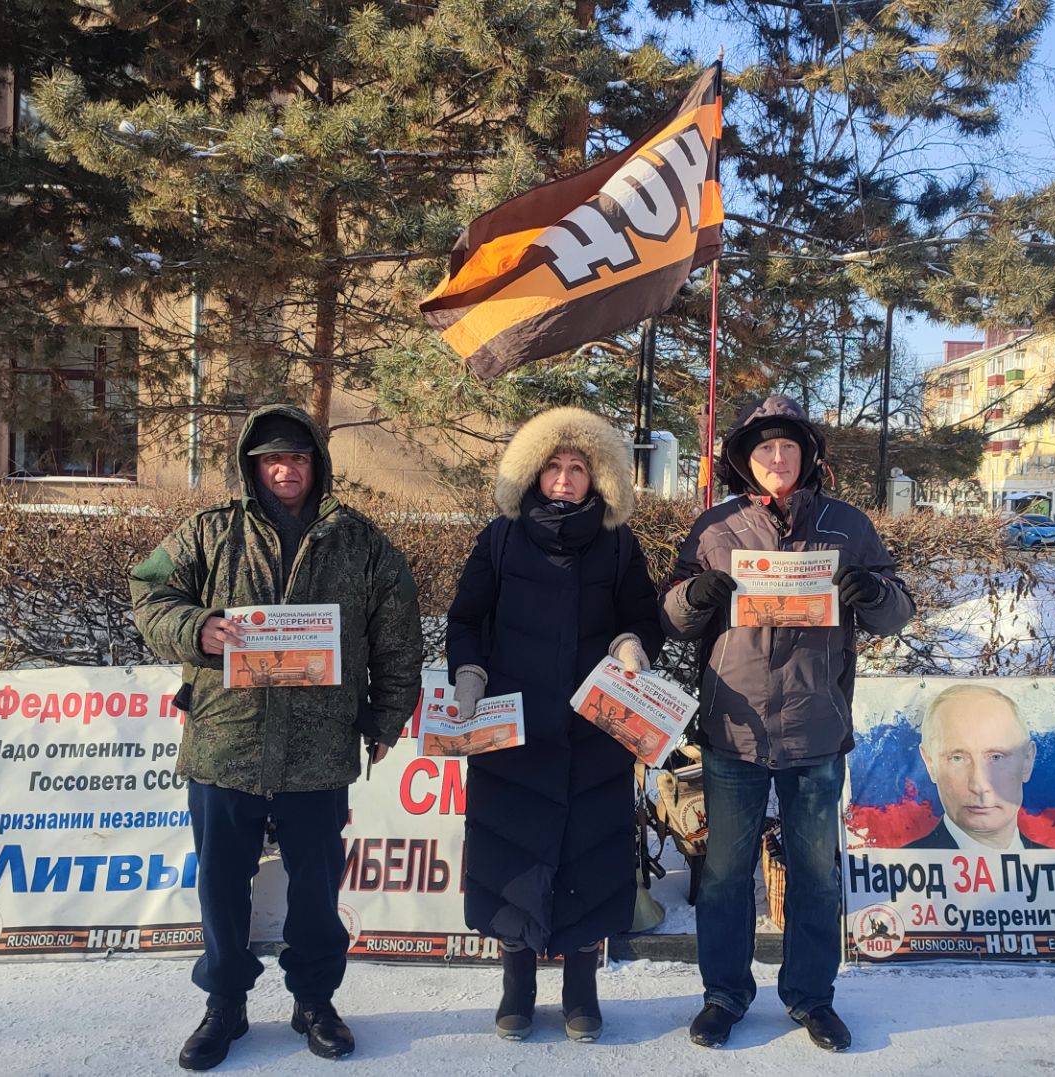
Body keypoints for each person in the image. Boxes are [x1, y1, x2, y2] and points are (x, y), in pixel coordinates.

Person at [130, 405, 423, 1070]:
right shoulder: (210, 531)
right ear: (252, 465)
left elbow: (398, 635)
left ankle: (314, 1001)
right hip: (224, 743)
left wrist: (387, 717)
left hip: (319, 750)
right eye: (272, 460)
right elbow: (148, 592)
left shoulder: (359, 542)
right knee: (221, 885)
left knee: (317, 891)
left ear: (317, 463)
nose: (285, 470)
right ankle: (225, 1003)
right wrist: (197, 628)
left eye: (297, 457)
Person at [661, 394, 914, 1053]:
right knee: (724, 875)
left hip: (815, 729)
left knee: (815, 874)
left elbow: (897, 610)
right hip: (734, 727)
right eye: (764, 448)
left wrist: (873, 593)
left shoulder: (846, 525)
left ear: (808, 456)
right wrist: (695, 595)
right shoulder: (716, 527)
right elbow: (671, 616)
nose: (777, 457)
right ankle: (723, 994)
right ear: (744, 460)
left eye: (789, 447)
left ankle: (811, 995)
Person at [446, 407, 662, 1044]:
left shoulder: (618, 544)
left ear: (599, 478)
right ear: (532, 474)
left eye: (577, 468)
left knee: (588, 859)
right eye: (553, 467)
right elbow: (466, 618)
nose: (564, 479)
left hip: (594, 733)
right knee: (513, 856)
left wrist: (631, 645)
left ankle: (581, 989)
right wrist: (469, 673)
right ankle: (517, 985)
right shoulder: (500, 538)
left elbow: (642, 616)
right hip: (512, 732)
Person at [905, 684, 1049, 851]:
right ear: (930, 763)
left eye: (996, 757)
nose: (979, 786)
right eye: (957, 758)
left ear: (1027, 760)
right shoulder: (900, 865)